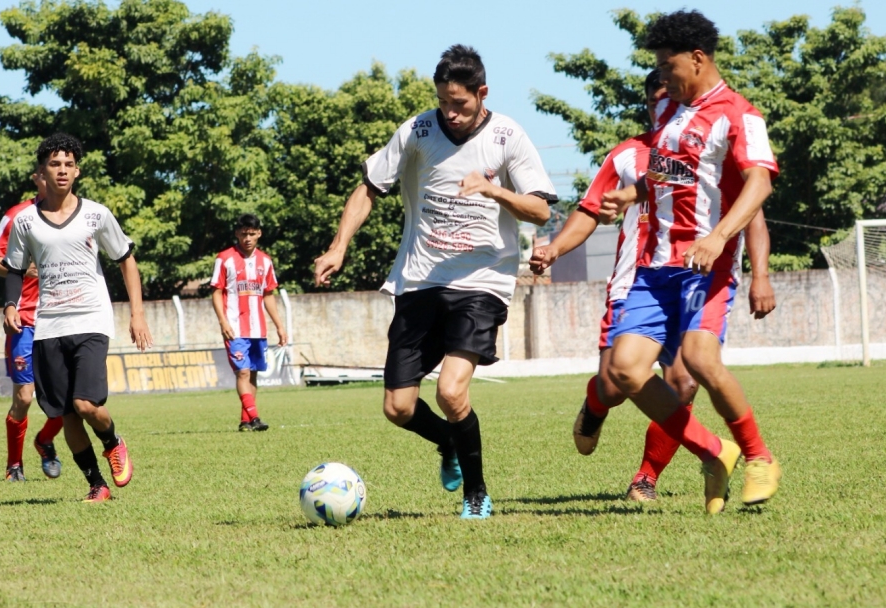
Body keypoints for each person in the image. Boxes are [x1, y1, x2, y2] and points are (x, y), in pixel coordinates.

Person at [314, 45, 558, 519]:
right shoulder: (418, 130)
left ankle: (478, 492)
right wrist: (339, 245)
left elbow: (541, 209)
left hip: (481, 281)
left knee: (450, 391)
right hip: (420, 280)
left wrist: (493, 188)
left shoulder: (508, 136)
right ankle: (449, 441)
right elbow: (369, 188)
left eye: (460, 104)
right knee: (399, 407)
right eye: (444, 101)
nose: (451, 112)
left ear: (482, 93)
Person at [531, 69, 777, 503]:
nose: (666, 104)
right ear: (648, 104)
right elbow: (590, 209)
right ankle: (595, 402)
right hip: (637, 280)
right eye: (656, 99)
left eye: (672, 95)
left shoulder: (710, 143)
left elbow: (753, 209)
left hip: (698, 273)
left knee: (684, 381)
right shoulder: (628, 154)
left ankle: (649, 476)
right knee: (615, 380)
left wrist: (761, 274)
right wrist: (555, 248)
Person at [602, 9, 782, 513]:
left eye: (667, 65)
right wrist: (632, 194)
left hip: (707, 265)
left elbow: (760, 183)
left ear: (698, 59)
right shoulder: (668, 114)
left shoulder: (739, 114)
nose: (662, 76)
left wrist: (719, 237)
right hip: (655, 267)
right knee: (625, 371)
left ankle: (758, 456)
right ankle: (712, 449)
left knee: (699, 362)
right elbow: (668, 175)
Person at [3, 133, 152, 502]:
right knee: (67, 415)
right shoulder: (25, 221)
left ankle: (113, 440)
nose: (63, 170)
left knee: (87, 405)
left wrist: (137, 313)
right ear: (42, 171)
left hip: (91, 321)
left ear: (78, 170)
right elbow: (14, 268)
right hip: (48, 325)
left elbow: (126, 259)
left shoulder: (96, 214)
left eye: (69, 164)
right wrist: (10, 305)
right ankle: (96, 485)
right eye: (55, 164)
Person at [0, 170, 63, 482]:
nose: (57, 176)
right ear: (37, 177)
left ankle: (44, 440)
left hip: (63, 319)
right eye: (48, 171)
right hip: (26, 320)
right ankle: (14, 465)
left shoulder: (75, 214)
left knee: (69, 400)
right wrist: (23, 270)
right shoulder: (17, 216)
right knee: (25, 397)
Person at [210, 213, 288, 432]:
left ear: (259, 234)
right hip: (234, 327)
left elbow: (268, 295)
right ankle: (254, 417)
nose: (247, 238)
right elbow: (216, 292)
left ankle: (245, 421)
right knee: (242, 372)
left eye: (252, 234)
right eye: (244, 234)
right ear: (237, 233)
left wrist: (280, 325)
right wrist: (223, 321)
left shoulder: (265, 261)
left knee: (252, 372)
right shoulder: (224, 258)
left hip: (258, 329)